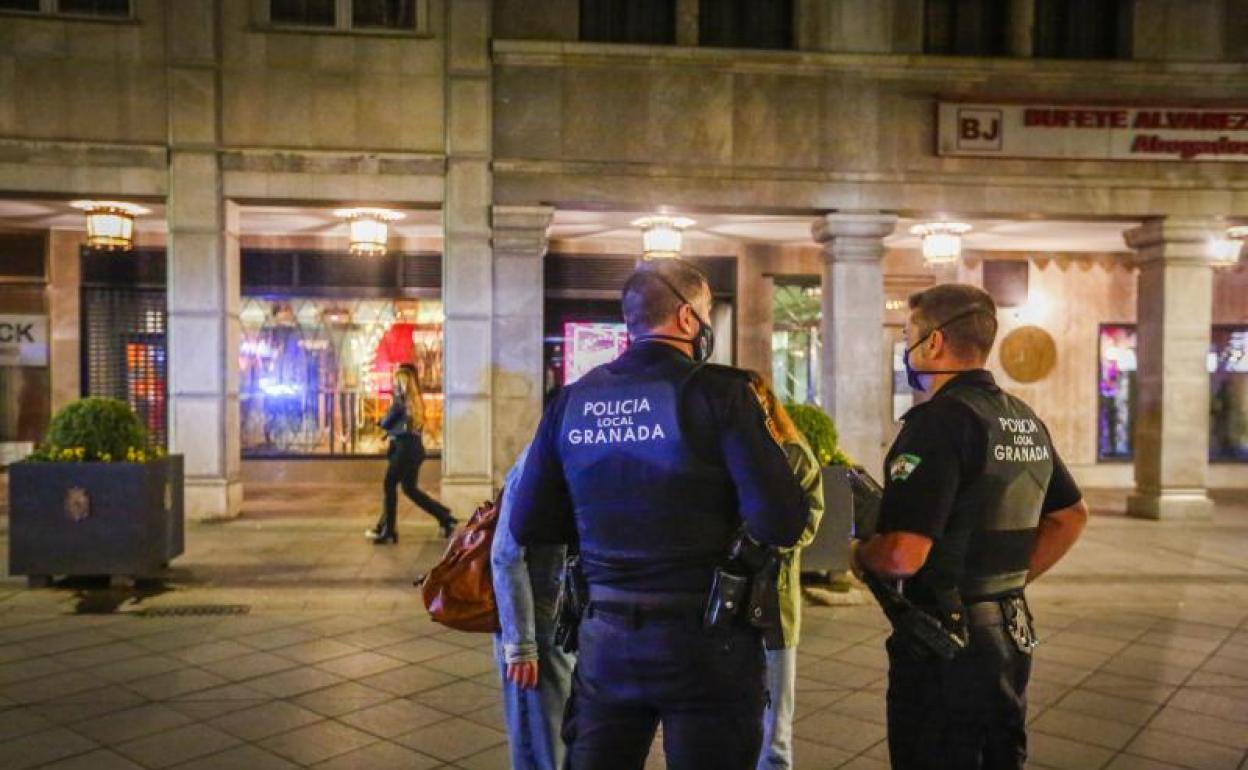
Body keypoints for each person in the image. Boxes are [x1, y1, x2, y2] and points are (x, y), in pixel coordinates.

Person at [510, 258, 809, 770]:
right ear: (688, 317)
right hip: (706, 641)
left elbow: (530, 523)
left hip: (605, 640)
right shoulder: (722, 392)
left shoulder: (573, 400)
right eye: (706, 313)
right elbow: (781, 521)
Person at [850, 284, 1088, 770]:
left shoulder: (937, 423)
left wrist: (859, 554)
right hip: (1010, 635)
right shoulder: (1023, 419)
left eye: (909, 337)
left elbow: (903, 554)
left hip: (943, 645)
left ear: (933, 342)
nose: (907, 349)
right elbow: (1069, 517)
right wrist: (1003, 584)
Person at [745, 371, 824, 770]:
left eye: (757, 404)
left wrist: (762, 537)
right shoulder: (725, 451)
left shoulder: (794, 454)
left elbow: (808, 522)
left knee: (775, 724)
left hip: (774, 600)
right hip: (725, 604)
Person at [491, 443, 576, 770]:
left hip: (568, 624)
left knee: (561, 747)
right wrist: (521, 646)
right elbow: (506, 556)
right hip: (538, 629)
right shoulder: (539, 460)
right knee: (542, 752)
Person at [366, 363, 458, 543]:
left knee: (389, 485)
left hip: (404, 449)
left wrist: (381, 422)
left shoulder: (399, 402)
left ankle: (389, 530)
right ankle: (445, 517)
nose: (394, 384)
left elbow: (386, 422)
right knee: (409, 489)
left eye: (396, 381)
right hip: (414, 449)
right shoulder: (416, 402)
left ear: (401, 383)